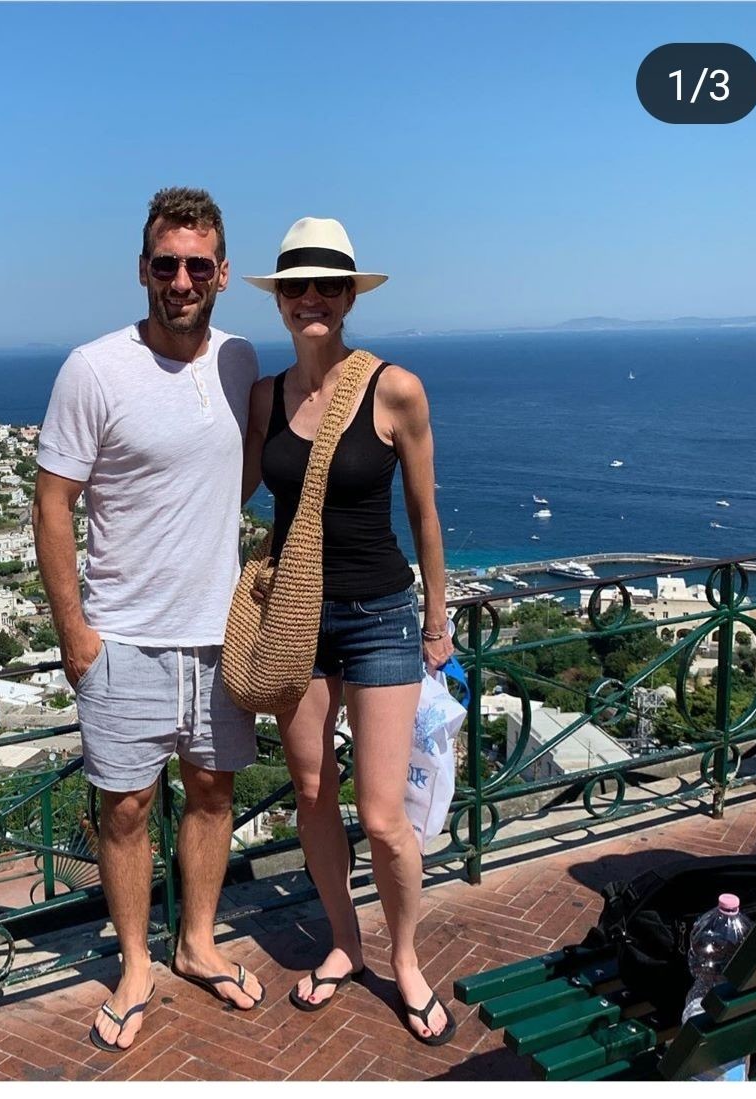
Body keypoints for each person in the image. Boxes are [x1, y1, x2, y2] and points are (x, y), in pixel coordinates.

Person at [33, 187, 265, 1054]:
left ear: (223, 273)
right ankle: (135, 963)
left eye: (198, 265)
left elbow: (238, 473)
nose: (181, 279)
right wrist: (76, 635)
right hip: (123, 637)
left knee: (212, 792)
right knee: (125, 809)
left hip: (217, 633)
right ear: (143, 269)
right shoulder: (94, 369)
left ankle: (196, 941)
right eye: (166, 263)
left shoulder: (241, 359)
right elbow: (51, 505)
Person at [240, 217, 456, 1044]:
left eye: (328, 285)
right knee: (310, 793)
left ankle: (405, 959)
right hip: (295, 620)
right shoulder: (265, 397)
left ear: (349, 296)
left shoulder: (395, 389)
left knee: (384, 814)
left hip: (379, 618)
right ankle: (344, 940)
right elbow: (225, 490)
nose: (312, 299)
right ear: (280, 300)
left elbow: (425, 513)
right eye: (297, 287)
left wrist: (437, 615)